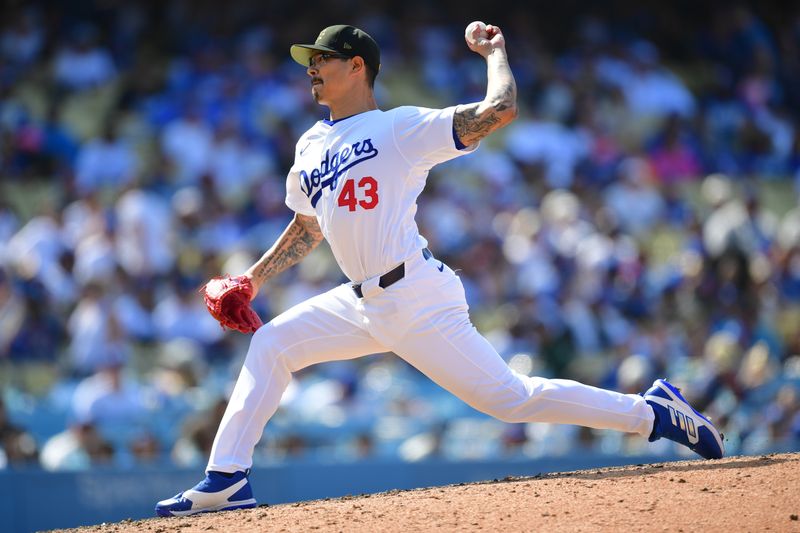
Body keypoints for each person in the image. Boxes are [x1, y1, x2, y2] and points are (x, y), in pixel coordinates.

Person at [156, 23, 724, 517]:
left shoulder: (400, 127)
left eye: (320, 60)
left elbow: (498, 111)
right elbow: (308, 228)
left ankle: (652, 413)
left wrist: (495, 55)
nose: (310, 70)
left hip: (415, 295)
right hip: (360, 302)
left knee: (511, 400)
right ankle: (227, 479)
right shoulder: (310, 143)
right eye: (309, 62)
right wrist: (253, 278)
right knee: (272, 343)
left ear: (357, 66)